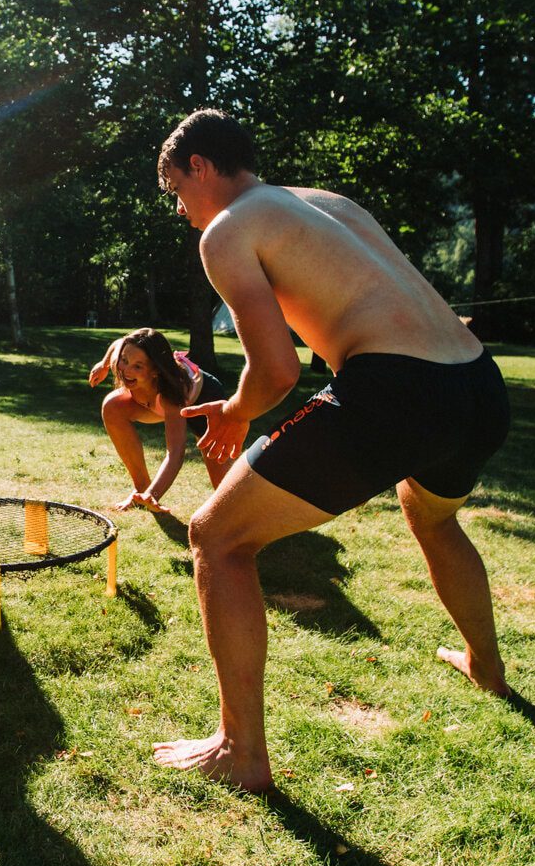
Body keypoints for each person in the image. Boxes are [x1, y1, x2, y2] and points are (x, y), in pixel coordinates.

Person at [151, 109, 510, 792]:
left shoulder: (228, 229)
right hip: (479, 386)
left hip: (399, 391)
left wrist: (233, 412)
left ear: (199, 166)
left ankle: (241, 750)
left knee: (217, 537)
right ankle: (486, 666)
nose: (181, 211)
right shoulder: (324, 202)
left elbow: (277, 371)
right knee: (431, 512)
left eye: (176, 191)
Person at [86, 327, 232, 511]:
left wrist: (153, 495)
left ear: (155, 371)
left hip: (205, 401)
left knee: (226, 491)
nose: (126, 371)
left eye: (137, 366)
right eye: (125, 361)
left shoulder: (170, 394)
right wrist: (104, 364)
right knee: (112, 405)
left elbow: (175, 453)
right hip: (155, 401)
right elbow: (118, 345)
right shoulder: (123, 360)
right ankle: (141, 489)